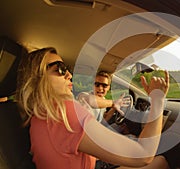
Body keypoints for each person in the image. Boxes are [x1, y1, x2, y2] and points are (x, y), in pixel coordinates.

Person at [16, 47, 170, 169]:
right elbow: (143, 155)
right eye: (60, 68)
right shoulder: (64, 111)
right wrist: (157, 100)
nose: (69, 75)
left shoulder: (40, 116)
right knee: (160, 161)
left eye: (67, 68)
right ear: (38, 76)